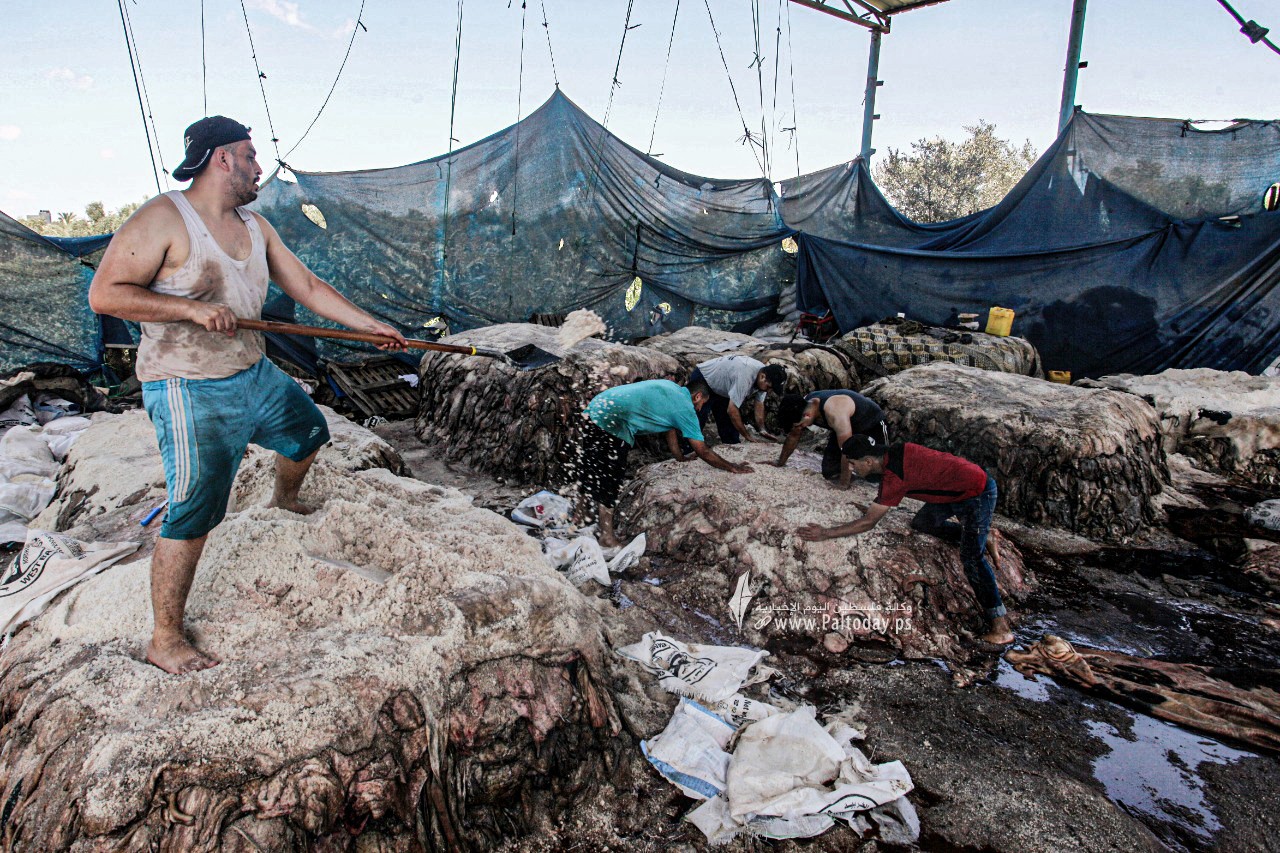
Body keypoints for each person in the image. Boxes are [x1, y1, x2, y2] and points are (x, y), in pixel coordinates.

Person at [88, 116, 408, 675]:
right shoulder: (164, 218)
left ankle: (282, 500)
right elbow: (105, 294)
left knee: (308, 432)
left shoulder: (255, 226)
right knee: (194, 509)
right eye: (250, 155)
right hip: (188, 384)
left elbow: (305, 286)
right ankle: (165, 638)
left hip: (251, 372)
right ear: (220, 159)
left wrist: (368, 325)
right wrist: (191, 308)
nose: (260, 167)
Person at [798, 435, 1013, 645]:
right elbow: (894, 489)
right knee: (922, 524)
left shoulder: (894, 476)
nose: (853, 469)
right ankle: (982, 536)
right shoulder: (895, 453)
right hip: (951, 492)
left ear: (869, 461)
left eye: (854, 464)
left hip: (977, 492)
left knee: (971, 559)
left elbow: (868, 523)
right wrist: (877, 507)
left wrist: (825, 533)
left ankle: (1000, 627)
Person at [571, 378, 752, 547]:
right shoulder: (685, 408)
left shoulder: (672, 389)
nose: (699, 410)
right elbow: (702, 450)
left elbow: (670, 429)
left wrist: (679, 457)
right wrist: (732, 467)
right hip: (613, 419)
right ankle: (607, 537)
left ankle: (578, 517)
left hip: (597, 407)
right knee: (610, 477)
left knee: (591, 467)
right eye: (701, 404)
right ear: (697, 396)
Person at [774, 390, 887, 487]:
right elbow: (794, 435)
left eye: (799, 425)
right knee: (830, 472)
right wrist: (780, 463)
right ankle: (853, 474)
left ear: (807, 415)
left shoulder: (835, 412)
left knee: (877, 473)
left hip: (872, 424)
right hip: (845, 427)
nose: (799, 428)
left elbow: (847, 451)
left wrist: (843, 485)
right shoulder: (802, 405)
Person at [685, 356, 786, 445]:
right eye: (769, 387)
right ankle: (688, 449)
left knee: (727, 424)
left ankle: (731, 445)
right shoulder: (745, 376)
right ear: (762, 377)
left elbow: (759, 403)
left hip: (724, 386)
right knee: (698, 416)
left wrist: (762, 429)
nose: (769, 391)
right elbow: (732, 410)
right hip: (705, 378)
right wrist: (746, 435)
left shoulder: (764, 377)